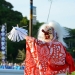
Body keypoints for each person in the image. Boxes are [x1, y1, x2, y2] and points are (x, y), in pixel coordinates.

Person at [8, 21, 75, 75]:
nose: (46, 36)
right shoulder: (60, 45)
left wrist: (23, 35)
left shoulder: (52, 45)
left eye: (48, 33)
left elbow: (37, 43)